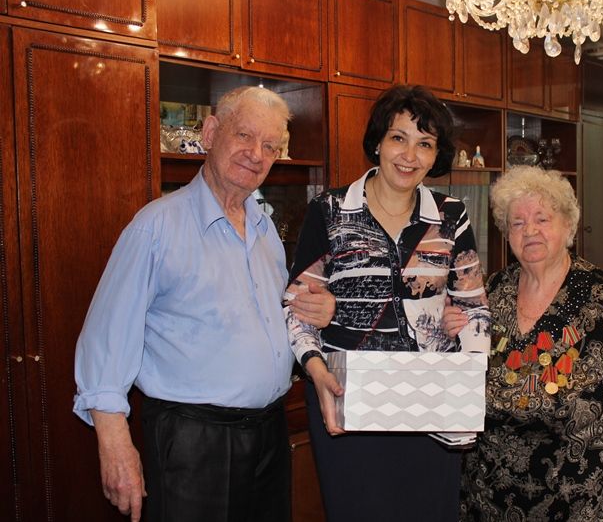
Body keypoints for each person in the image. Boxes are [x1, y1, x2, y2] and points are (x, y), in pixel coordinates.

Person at [73, 86, 335, 522]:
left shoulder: (264, 229)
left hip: (268, 434)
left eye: (270, 146)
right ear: (211, 133)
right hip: (194, 441)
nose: (256, 154)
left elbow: (273, 314)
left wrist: (315, 312)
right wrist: (115, 444)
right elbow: (105, 338)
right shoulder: (156, 226)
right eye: (244, 136)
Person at [284, 84, 492, 522]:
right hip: (349, 400)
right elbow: (297, 309)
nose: (409, 155)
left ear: (436, 156)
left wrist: (468, 375)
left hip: (432, 404)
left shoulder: (451, 215)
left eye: (425, 144)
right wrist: (316, 372)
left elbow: (475, 309)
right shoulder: (330, 210)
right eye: (399, 137)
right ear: (378, 141)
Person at [444, 166, 603, 522]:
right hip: (490, 490)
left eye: (542, 219)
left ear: (568, 226)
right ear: (506, 234)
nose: (529, 230)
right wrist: (451, 331)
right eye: (517, 223)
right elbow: (463, 366)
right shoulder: (492, 291)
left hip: (582, 493)